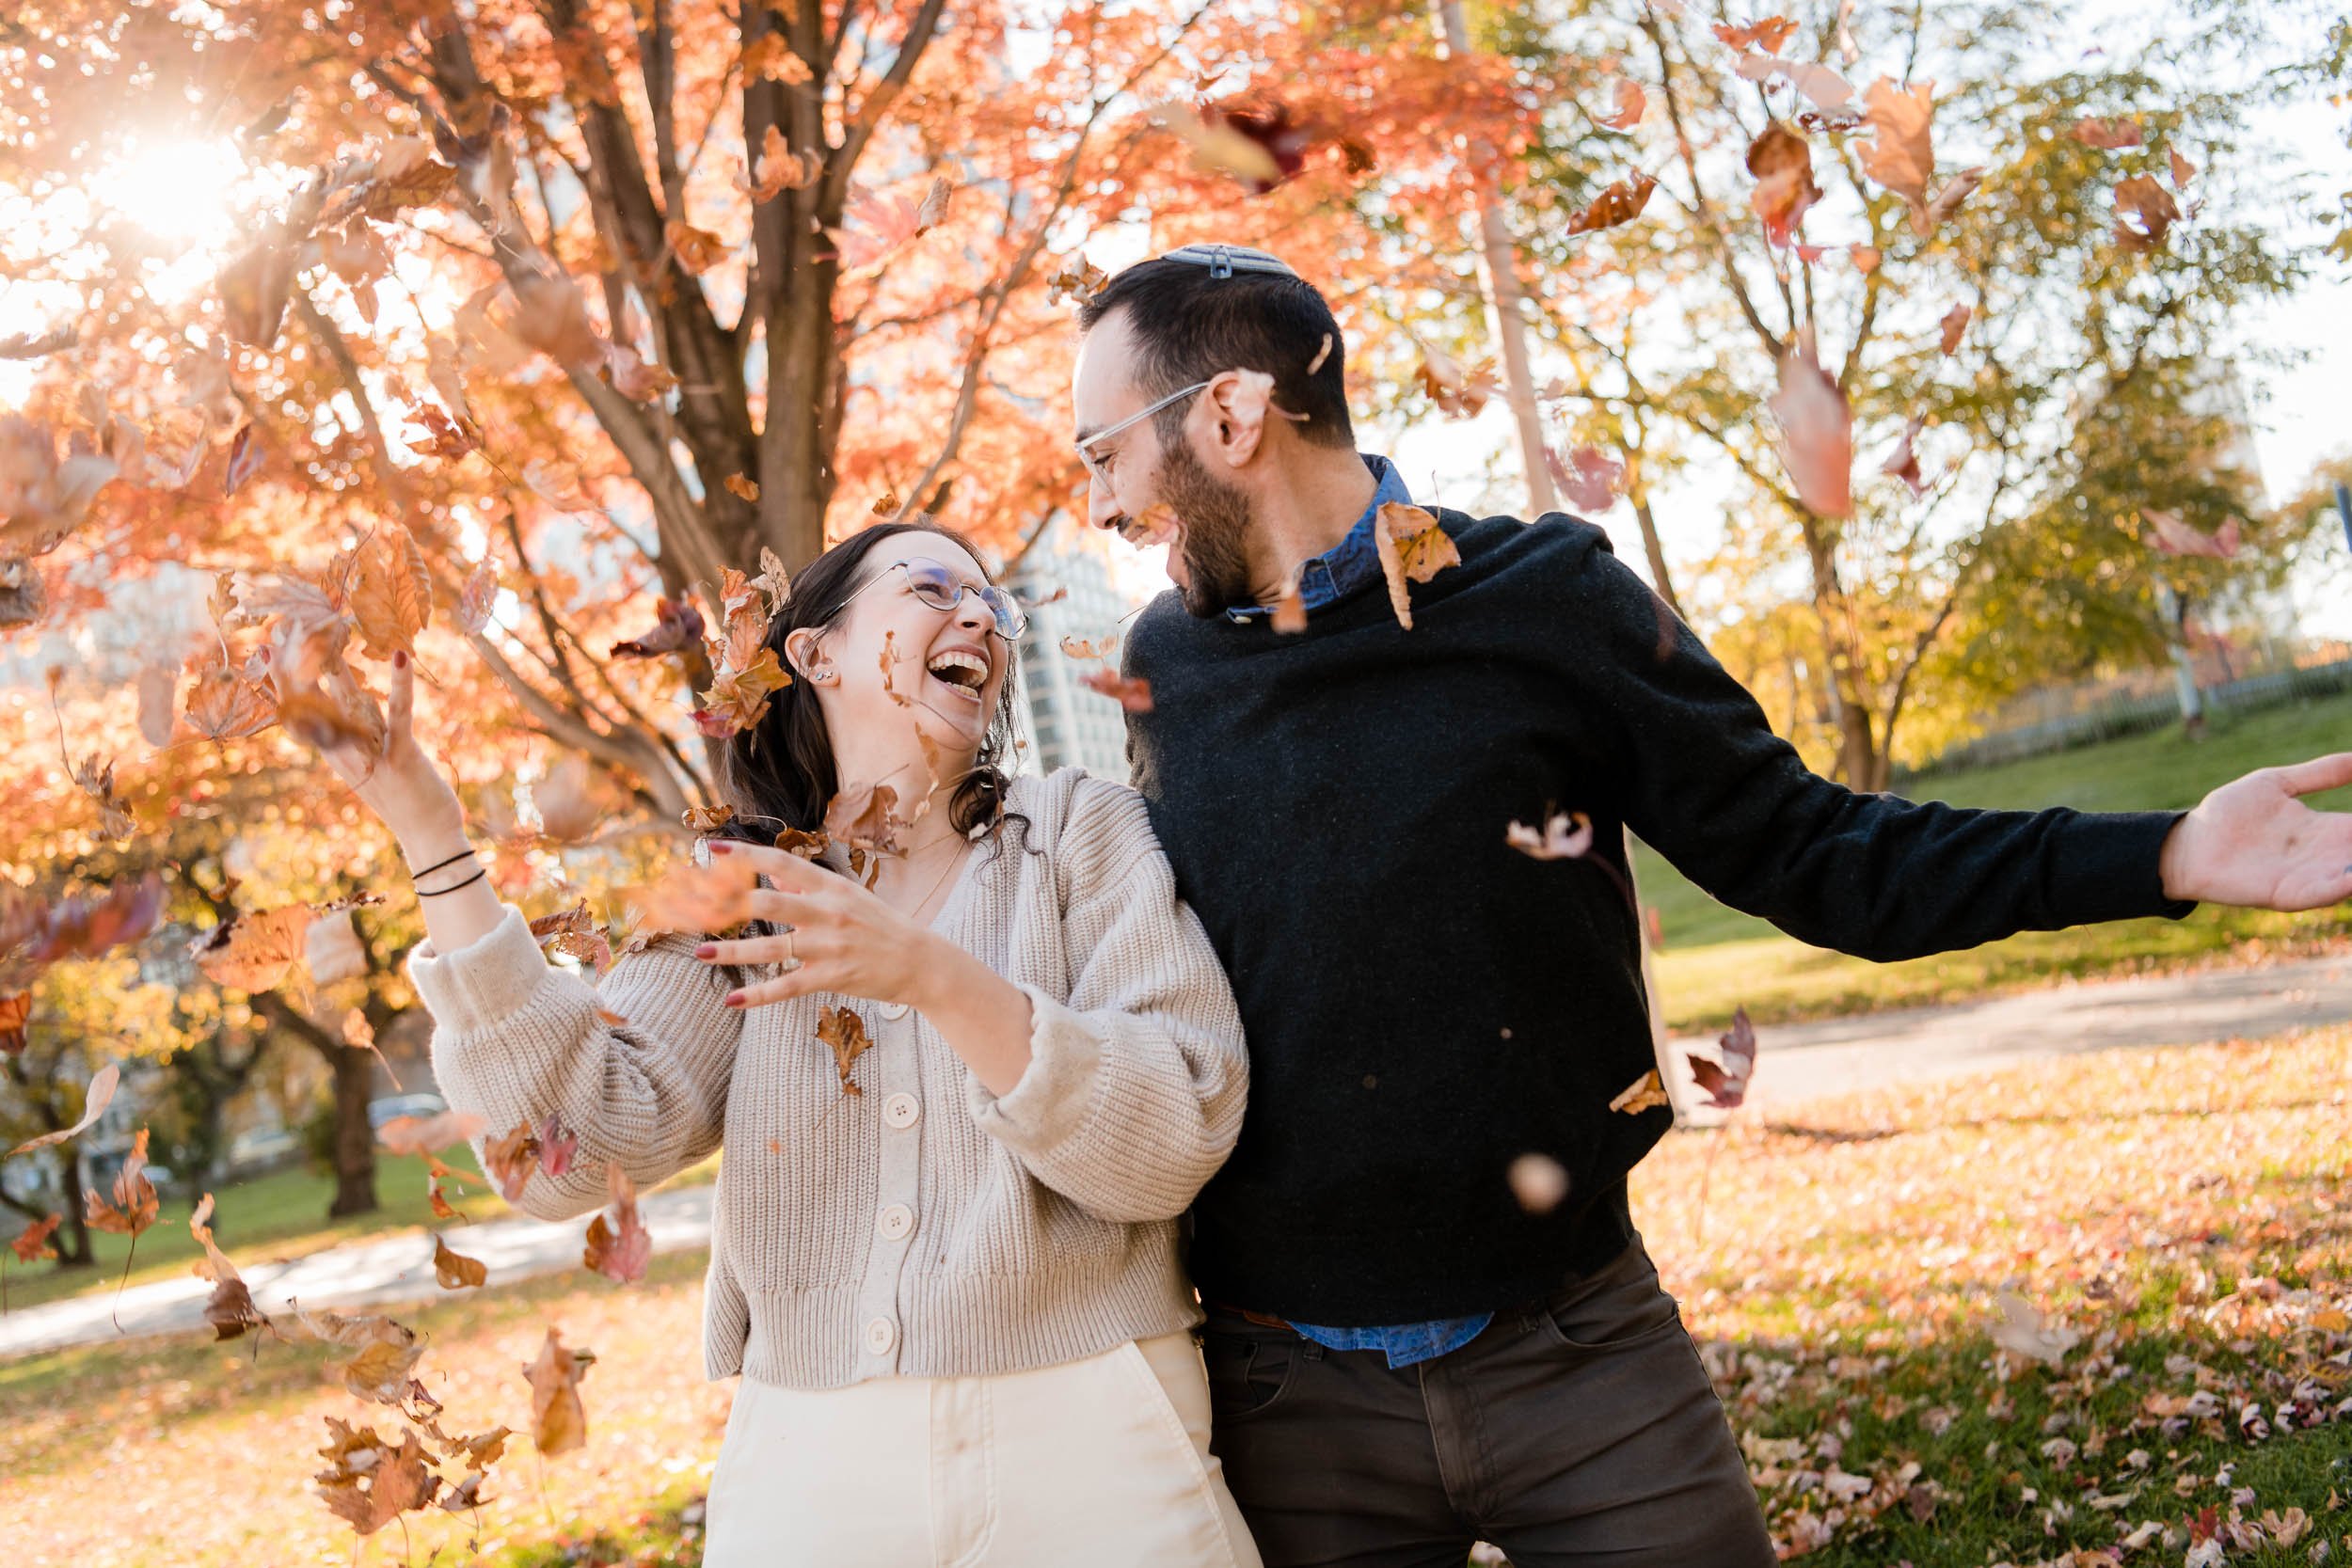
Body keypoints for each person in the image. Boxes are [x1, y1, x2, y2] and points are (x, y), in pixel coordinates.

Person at [1069, 241, 2352, 1568]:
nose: (1097, 502)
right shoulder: (1167, 664)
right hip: (1290, 1394)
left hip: (1581, 1353)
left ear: (1229, 417)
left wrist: (2168, 852)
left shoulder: (1548, 599)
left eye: (1104, 452)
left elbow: (1821, 851)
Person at [310, 517, 1261, 1567]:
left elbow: (1175, 1132)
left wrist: (931, 975)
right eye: (934, 586)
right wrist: (430, 832)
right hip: (814, 1460)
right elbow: (562, 1148)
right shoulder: (733, 891)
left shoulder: (1080, 831)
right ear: (816, 652)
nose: (979, 616)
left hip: (1094, 1428)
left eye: (994, 604)